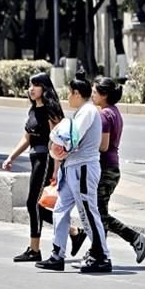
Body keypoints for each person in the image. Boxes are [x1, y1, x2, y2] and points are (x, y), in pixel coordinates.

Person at [35, 78, 111, 273]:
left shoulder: (88, 111)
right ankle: (57, 255)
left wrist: (56, 142)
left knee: (87, 211)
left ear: (77, 93)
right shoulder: (81, 112)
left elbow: (70, 138)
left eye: (69, 93)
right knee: (60, 210)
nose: (68, 97)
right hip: (73, 168)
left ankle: (101, 256)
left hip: (83, 168)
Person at [1, 73, 65, 261]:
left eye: (36, 85)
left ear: (44, 88)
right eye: (30, 85)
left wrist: (56, 168)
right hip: (35, 159)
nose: (31, 89)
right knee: (37, 206)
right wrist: (11, 157)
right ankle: (74, 232)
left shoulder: (50, 111)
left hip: (46, 159)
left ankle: (34, 249)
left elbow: (58, 141)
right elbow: (26, 138)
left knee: (32, 203)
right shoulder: (33, 110)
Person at [91, 76, 145, 263]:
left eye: (95, 92)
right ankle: (98, 253)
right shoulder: (114, 112)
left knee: (98, 214)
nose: (92, 95)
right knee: (100, 212)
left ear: (104, 95)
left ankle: (135, 238)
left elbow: (103, 146)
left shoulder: (104, 115)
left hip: (105, 168)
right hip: (112, 167)